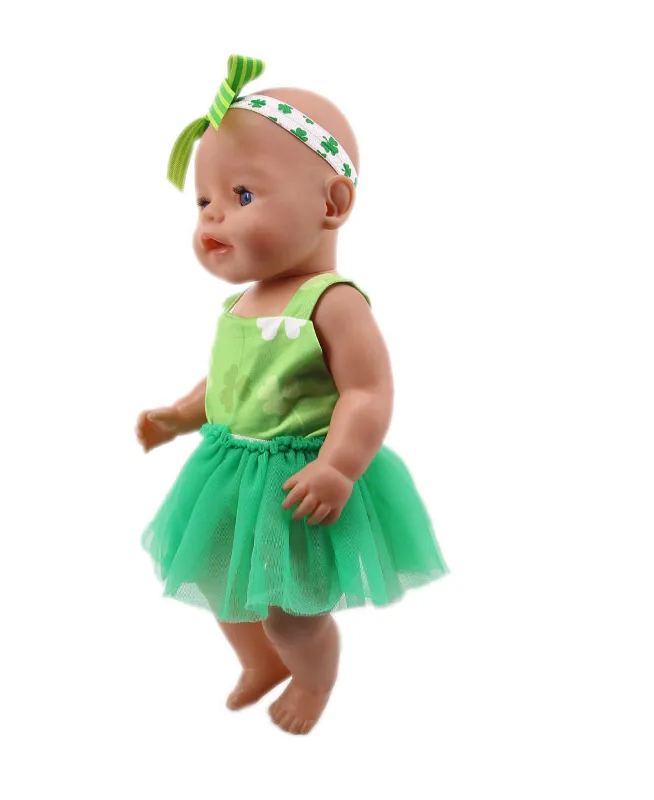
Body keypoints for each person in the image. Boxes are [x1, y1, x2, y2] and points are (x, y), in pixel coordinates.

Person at [136, 55, 448, 735]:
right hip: (228, 470)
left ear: (331, 204)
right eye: (204, 201)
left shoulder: (330, 302)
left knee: (290, 609)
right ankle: (261, 663)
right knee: (219, 579)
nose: (214, 215)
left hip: (296, 482)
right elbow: (227, 382)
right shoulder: (241, 304)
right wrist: (180, 415)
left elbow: (367, 390)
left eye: (243, 196)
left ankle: (311, 676)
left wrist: (338, 466)